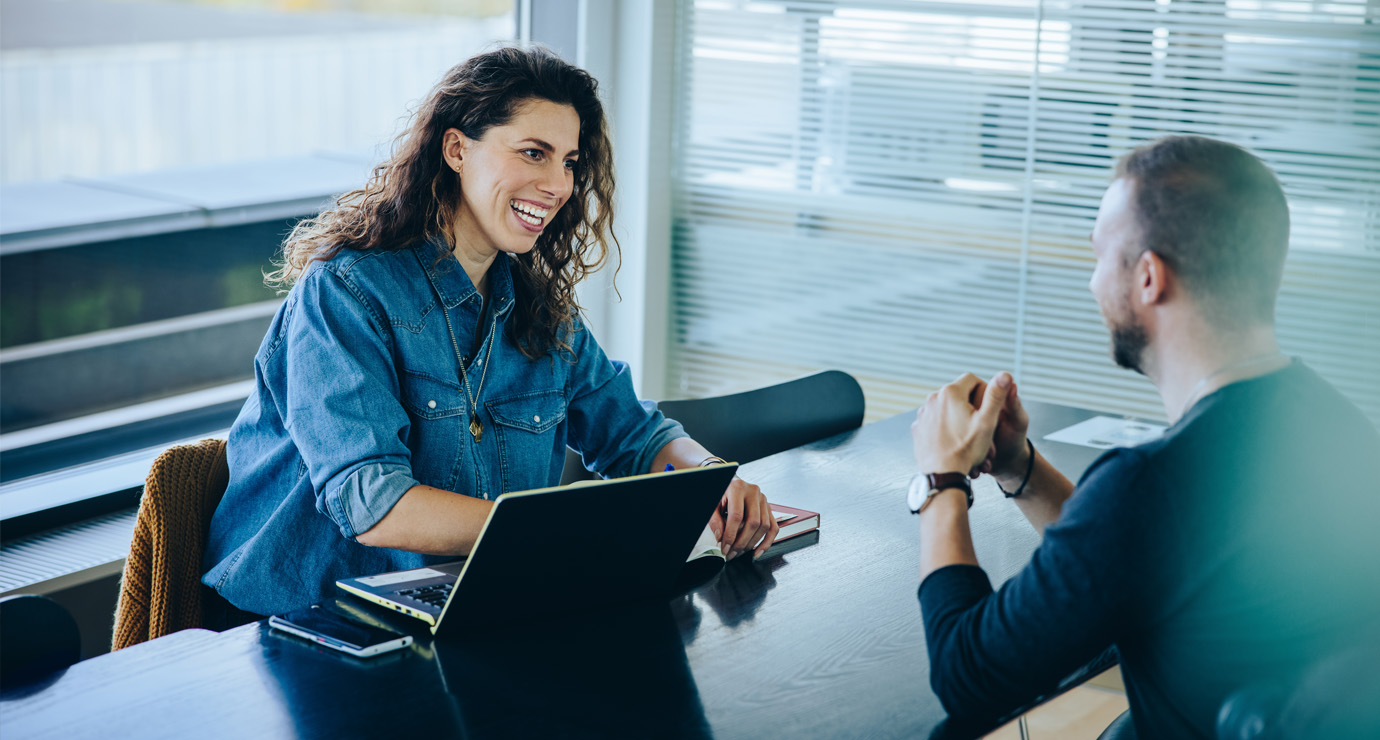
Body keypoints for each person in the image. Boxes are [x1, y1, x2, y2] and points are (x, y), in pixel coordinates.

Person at [202, 46, 777, 620]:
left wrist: (709, 481)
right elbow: (372, 503)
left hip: (467, 599)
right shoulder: (347, 292)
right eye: (534, 153)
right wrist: (555, 534)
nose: (558, 185)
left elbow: (634, 435)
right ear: (457, 149)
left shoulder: (541, 308)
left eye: (570, 163)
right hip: (302, 620)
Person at [907, 136, 1380, 738]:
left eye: (1100, 255)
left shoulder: (1153, 483)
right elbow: (1137, 555)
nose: (1090, 283)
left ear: (1149, 277)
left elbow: (965, 674)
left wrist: (940, 478)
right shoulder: (1335, 422)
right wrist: (1018, 466)